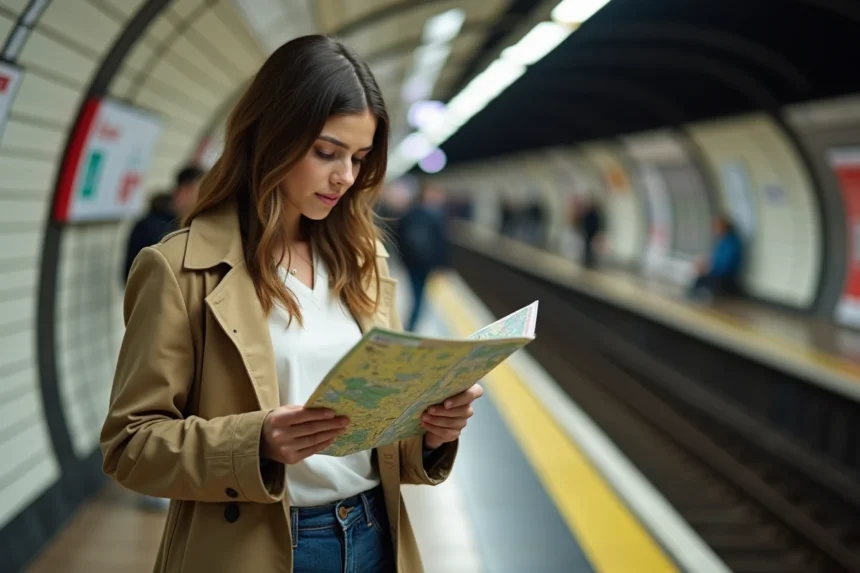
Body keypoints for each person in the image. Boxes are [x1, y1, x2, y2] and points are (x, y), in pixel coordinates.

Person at [100, 35, 482, 573]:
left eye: (359, 158)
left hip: (376, 534)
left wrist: (434, 430)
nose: (345, 176)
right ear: (270, 138)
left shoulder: (365, 260)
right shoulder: (179, 269)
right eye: (326, 152)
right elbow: (129, 446)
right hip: (259, 546)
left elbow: (384, 433)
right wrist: (256, 441)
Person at [122, 165, 203, 282]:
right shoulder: (151, 227)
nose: (201, 199)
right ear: (183, 191)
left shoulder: (186, 224)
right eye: (198, 192)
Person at [397, 182, 451, 331]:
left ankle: (411, 326)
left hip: (413, 262)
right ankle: (411, 328)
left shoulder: (410, 213)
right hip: (422, 264)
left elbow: (400, 238)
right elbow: (440, 242)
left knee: (418, 296)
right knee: (419, 297)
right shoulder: (434, 215)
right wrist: (442, 264)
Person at [689, 214, 744, 300]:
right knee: (699, 279)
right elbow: (714, 259)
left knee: (701, 280)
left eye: (717, 226)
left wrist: (709, 270)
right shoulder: (721, 240)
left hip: (726, 278)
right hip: (717, 274)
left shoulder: (731, 242)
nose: (716, 229)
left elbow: (726, 265)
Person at [577, 195, 603, 268]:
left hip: (589, 232)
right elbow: (596, 224)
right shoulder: (595, 214)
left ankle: (588, 259)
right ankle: (589, 259)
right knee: (590, 246)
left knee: (588, 246)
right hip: (592, 232)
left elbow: (586, 222)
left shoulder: (589, 213)